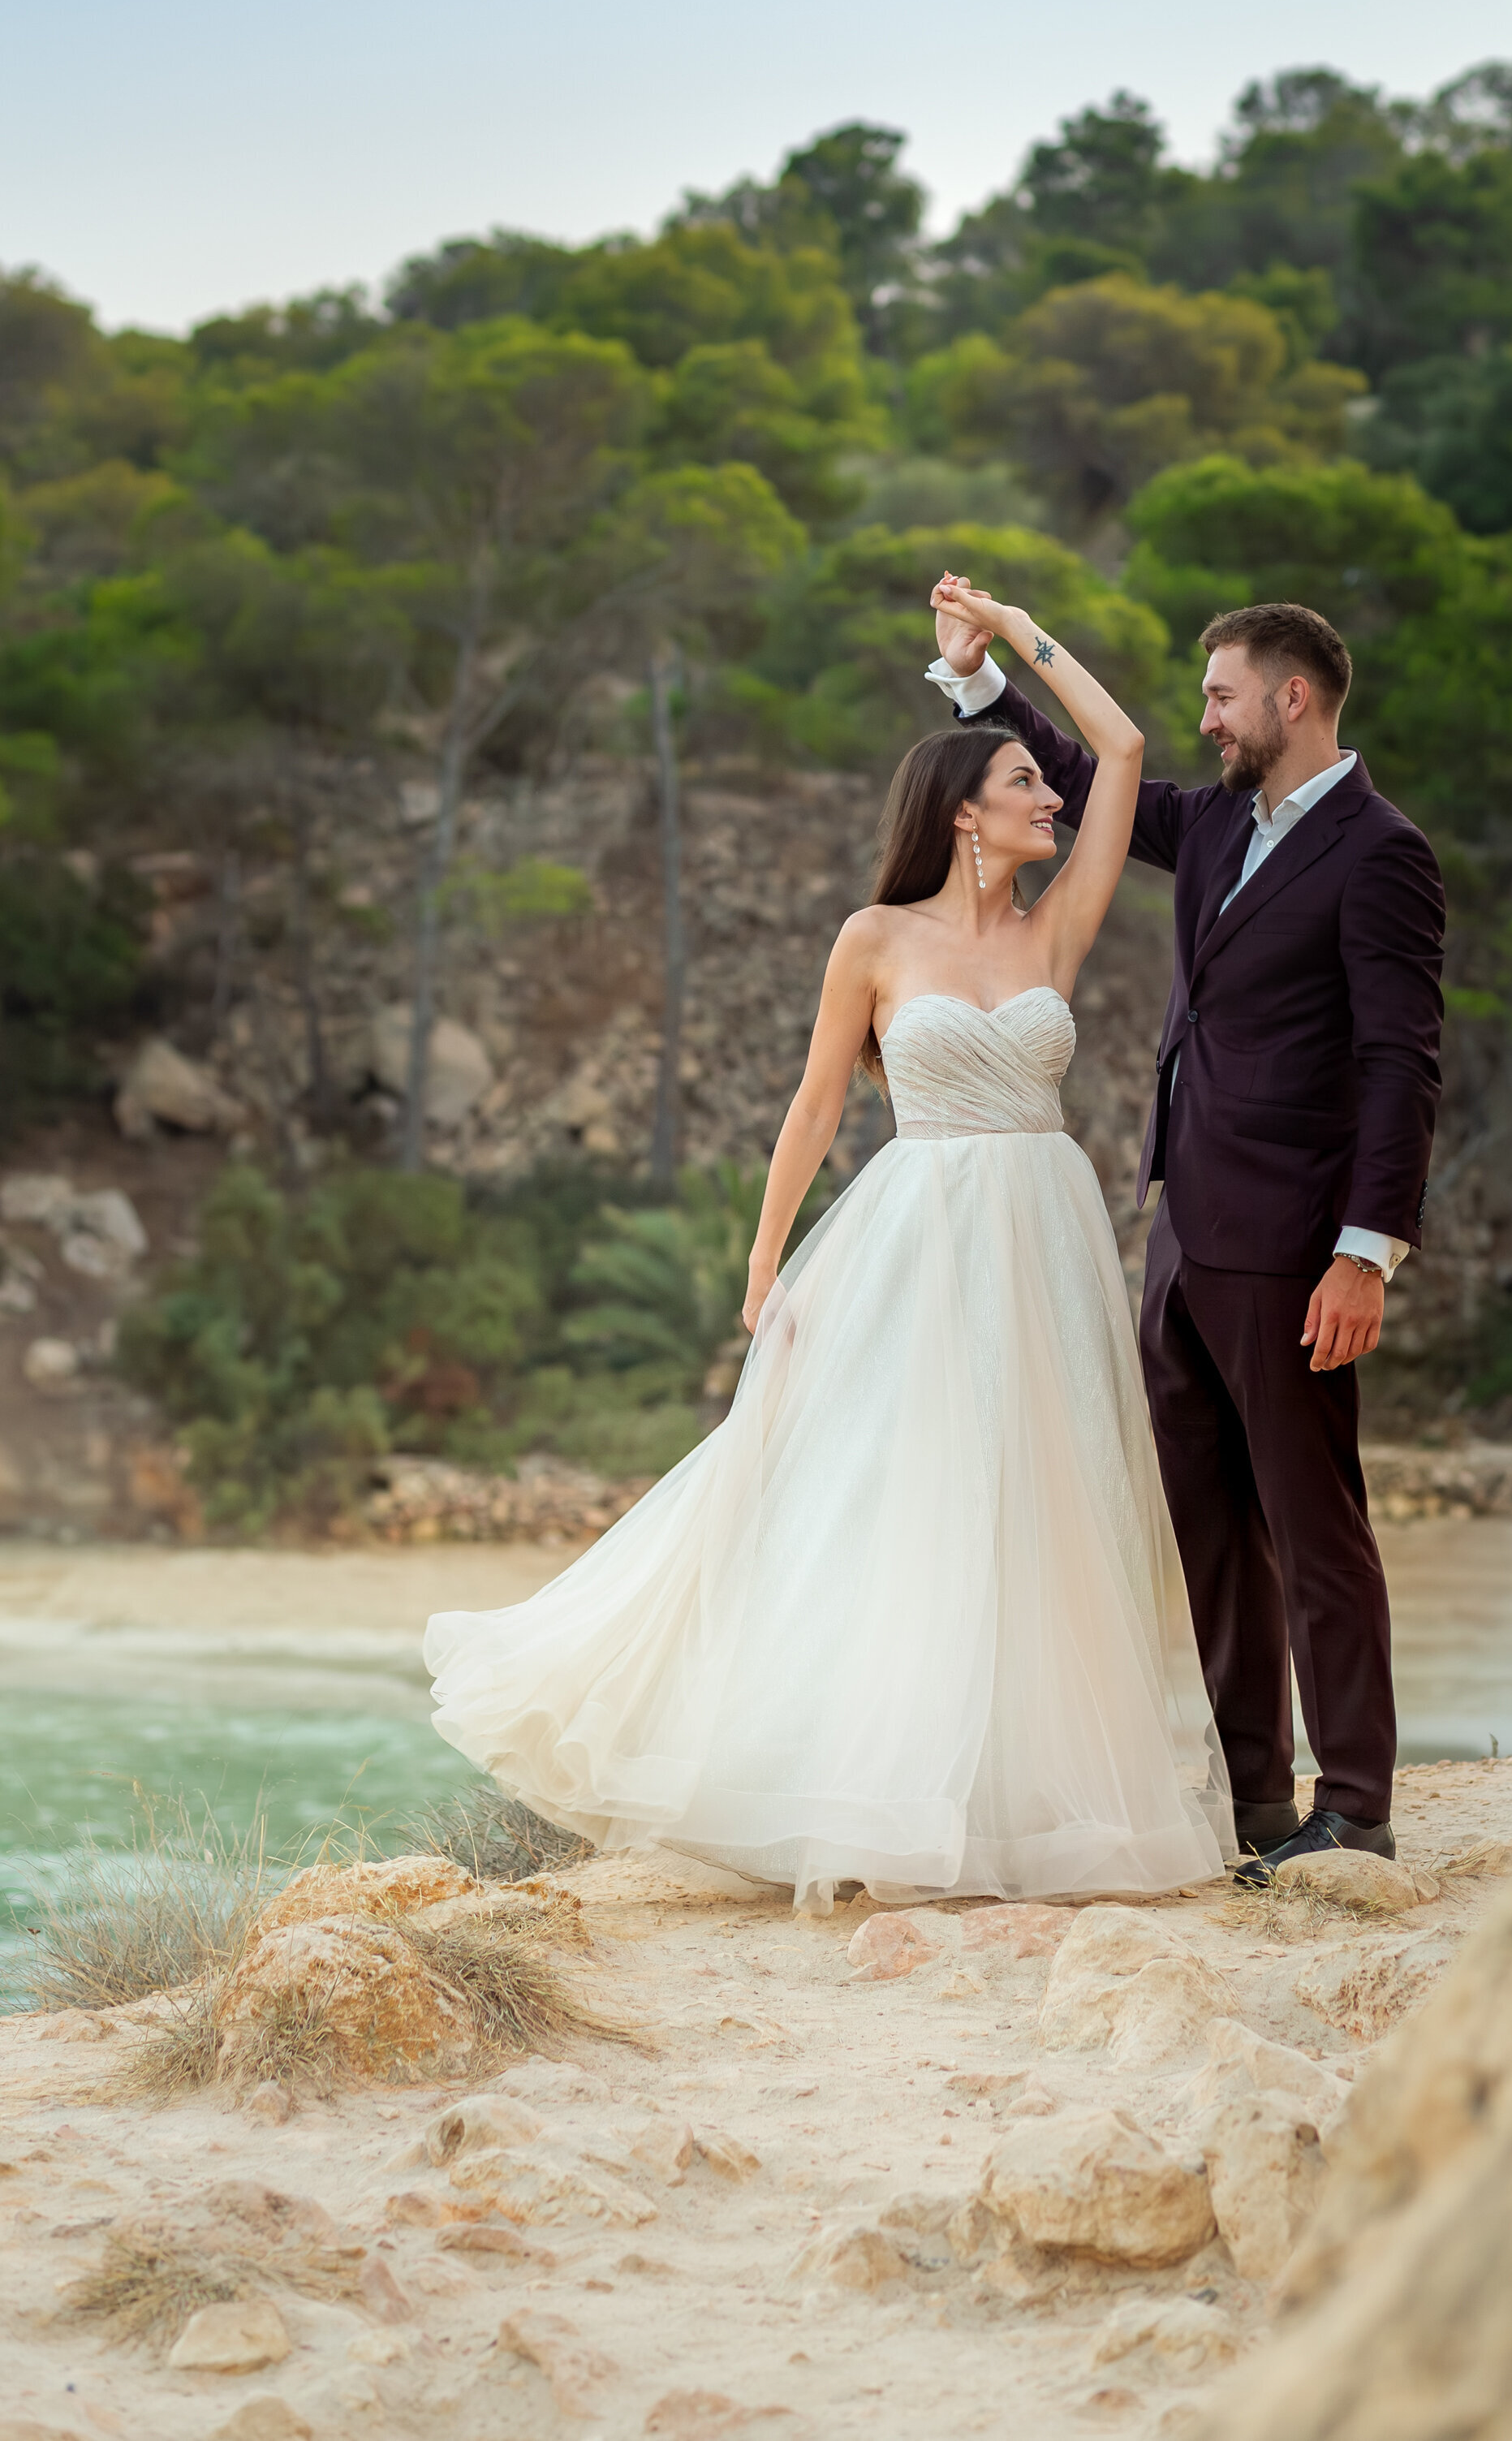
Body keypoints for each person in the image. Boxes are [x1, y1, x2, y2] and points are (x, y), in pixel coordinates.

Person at [423, 584, 1231, 1910]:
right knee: (894, 1496)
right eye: (1025, 782)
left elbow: (1129, 754)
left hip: (1042, 1231)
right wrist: (761, 1265)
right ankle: (865, 1785)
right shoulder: (874, 939)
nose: (1053, 797)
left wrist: (1014, 636)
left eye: (1044, 781)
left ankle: (1018, 1804)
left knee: (1041, 1503)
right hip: (915, 1234)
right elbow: (814, 1104)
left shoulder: (1054, 929)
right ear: (960, 813)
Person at [928, 585, 1444, 1878]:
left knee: (1313, 1523)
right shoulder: (1216, 823)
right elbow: (1074, 779)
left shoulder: (1382, 851)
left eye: (1221, 694)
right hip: (1182, 1231)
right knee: (1210, 1527)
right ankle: (1254, 1795)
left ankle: (1359, 1805)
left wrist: (1363, 1251)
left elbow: (1400, 1065)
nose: (1203, 717)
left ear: (1293, 698)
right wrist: (980, 679)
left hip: (1294, 1245)